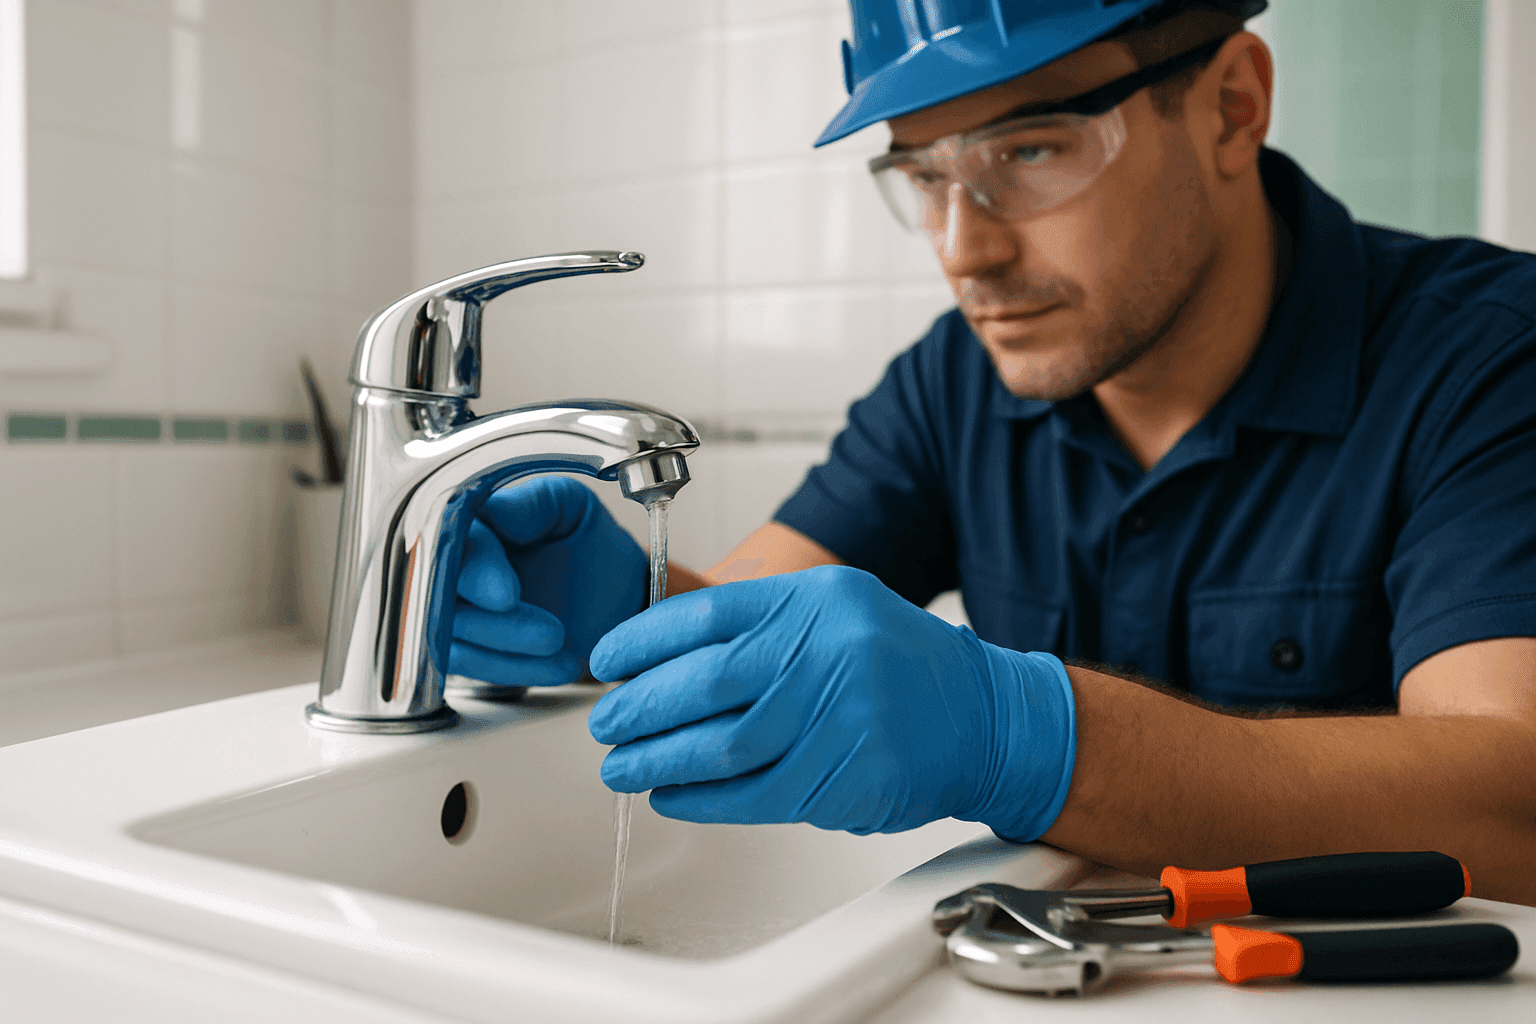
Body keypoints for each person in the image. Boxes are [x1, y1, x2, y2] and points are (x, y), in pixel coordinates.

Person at [449, 0, 1536, 904]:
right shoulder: (955, 380)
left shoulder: (1488, 358)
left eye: (1030, 150)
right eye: (925, 176)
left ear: (1230, 108)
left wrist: (1027, 737)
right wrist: (620, 613)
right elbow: (750, 626)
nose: (964, 250)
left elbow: (1513, 800)